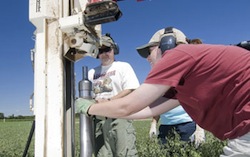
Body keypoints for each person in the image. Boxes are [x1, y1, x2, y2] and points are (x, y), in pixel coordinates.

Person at [76, 27, 250, 156]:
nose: (148, 59)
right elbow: (145, 109)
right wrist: (108, 108)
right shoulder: (182, 84)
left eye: (149, 51)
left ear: (167, 45)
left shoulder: (178, 54)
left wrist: (88, 108)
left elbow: (128, 106)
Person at [87, 33, 139, 157]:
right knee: (102, 154)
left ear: (114, 50)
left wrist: (109, 100)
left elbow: (131, 89)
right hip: (99, 120)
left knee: (125, 153)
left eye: (107, 49)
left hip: (120, 116)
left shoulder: (123, 66)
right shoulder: (91, 72)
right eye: (101, 50)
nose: (104, 53)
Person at [148, 38, 205, 146]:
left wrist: (199, 128)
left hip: (187, 124)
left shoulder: (188, 75)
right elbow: (158, 102)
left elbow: (199, 102)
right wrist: (153, 124)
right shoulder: (158, 77)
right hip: (165, 126)